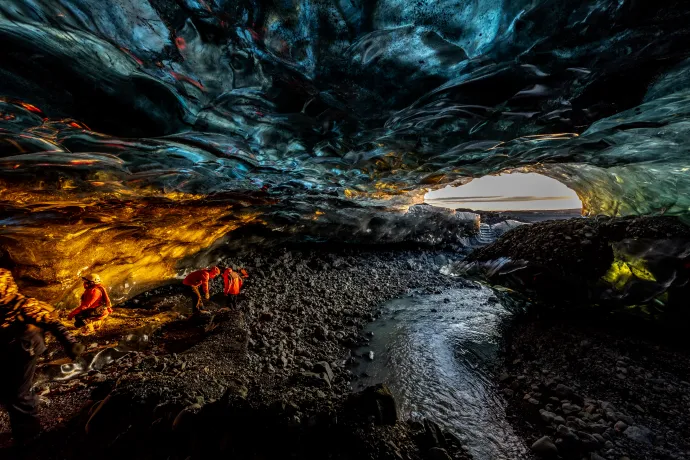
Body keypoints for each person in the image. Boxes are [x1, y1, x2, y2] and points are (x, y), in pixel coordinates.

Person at [0, 268, 84, 447]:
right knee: (10, 391)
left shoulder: (22, 304)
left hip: (25, 350)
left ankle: (30, 437)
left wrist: (71, 343)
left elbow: (51, 322)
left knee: (18, 394)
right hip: (9, 348)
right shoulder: (3, 306)